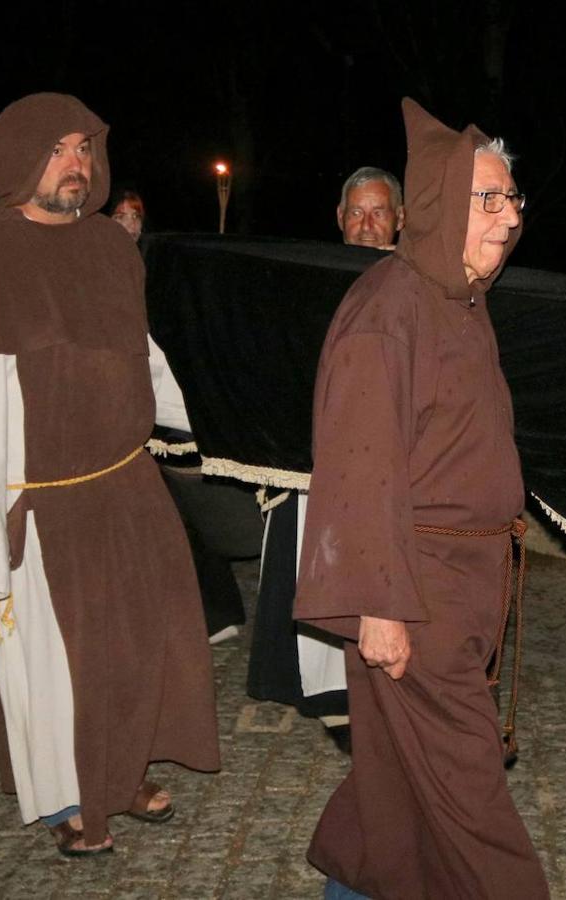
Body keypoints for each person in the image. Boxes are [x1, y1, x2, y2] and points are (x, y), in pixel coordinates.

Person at [0, 93, 219, 858]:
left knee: (133, 642)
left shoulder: (112, 249)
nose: (78, 164)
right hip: (36, 500)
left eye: (85, 148)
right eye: (59, 150)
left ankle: (120, 773)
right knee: (50, 667)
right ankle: (66, 799)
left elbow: (143, 357)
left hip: (123, 480)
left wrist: (211, 426)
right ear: (21, 160)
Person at [293, 98, 548, 900]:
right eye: (489, 199)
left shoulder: (461, 301)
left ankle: (355, 887)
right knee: (469, 793)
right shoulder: (387, 311)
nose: (509, 217)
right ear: (438, 207)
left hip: (464, 584)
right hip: (416, 590)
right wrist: (379, 606)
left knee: (399, 778)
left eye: (513, 198)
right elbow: (357, 466)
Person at [248, 164, 407, 755]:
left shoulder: (415, 282)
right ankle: (333, 699)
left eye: (379, 212)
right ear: (340, 220)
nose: (368, 226)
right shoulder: (306, 280)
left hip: (389, 458)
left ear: (400, 219)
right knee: (319, 563)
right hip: (319, 456)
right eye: (356, 213)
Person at [335, 166, 404, 249]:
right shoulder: (318, 259)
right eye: (356, 213)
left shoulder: (415, 261)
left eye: (378, 214)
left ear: (400, 218)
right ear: (340, 217)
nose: (366, 227)